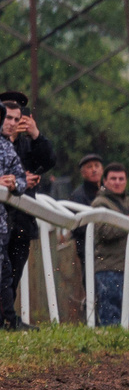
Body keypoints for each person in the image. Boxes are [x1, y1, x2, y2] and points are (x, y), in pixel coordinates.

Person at [0, 94, 53, 328]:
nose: (13, 122)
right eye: (8, 116)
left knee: (12, 271)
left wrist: (36, 135)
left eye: (18, 117)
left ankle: (7, 318)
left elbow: (49, 160)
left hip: (20, 218)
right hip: (5, 217)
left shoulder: (26, 142)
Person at [90, 164, 129, 328]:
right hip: (110, 269)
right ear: (104, 181)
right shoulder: (100, 204)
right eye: (113, 178)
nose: (117, 182)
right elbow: (103, 232)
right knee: (111, 319)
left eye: (121, 179)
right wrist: (127, 222)